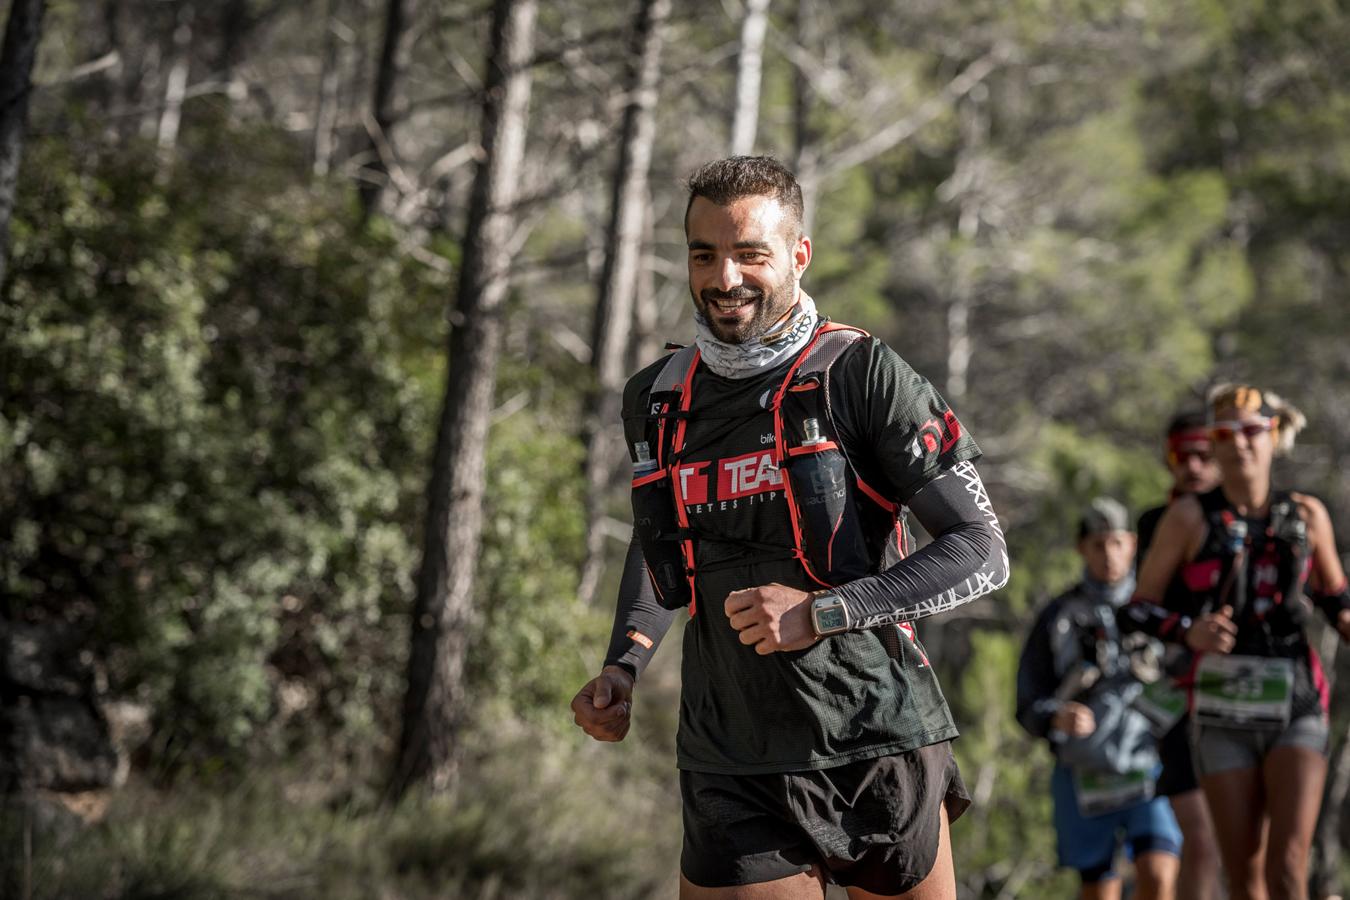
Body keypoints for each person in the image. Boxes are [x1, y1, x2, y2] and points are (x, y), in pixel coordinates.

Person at [570, 156, 1009, 900]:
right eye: (703, 254)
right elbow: (660, 546)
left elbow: (981, 551)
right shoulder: (657, 397)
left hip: (875, 738)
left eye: (750, 254)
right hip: (729, 753)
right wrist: (623, 667)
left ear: (798, 255)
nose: (724, 278)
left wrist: (822, 612)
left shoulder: (862, 372)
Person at [1119, 384, 1350, 900]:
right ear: (1214, 444)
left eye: (1251, 432)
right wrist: (1188, 631)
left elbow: (1338, 602)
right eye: (1224, 434)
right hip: (1221, 707)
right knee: (1245, 875)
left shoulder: (1306, 514)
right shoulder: (1188, 518)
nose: (1239, 444)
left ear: (1273, 437)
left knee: (1289, 864)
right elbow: (1135, 609)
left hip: (1297, 701)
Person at [1016, 498, 1182, 900]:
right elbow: (1026, 702)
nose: (1109, 554)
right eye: (1097, 544)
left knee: (1159, 875)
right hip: (1084, 774)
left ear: (1132, 543)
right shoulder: (1058, 616)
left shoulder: (1157, 608)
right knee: (1099, 890)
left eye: (1116, 542)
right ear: (1081, 548)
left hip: (1149, 769)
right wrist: (1057, 716)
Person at [1135, 411, 1224, 900]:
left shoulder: (1254, 520)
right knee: (1202, 837)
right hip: (1178, 694)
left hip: (1249, 693)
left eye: (1203, 455)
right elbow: (1141, 609)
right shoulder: (1154, 523)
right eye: (1181, 456)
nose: (1192, 466)